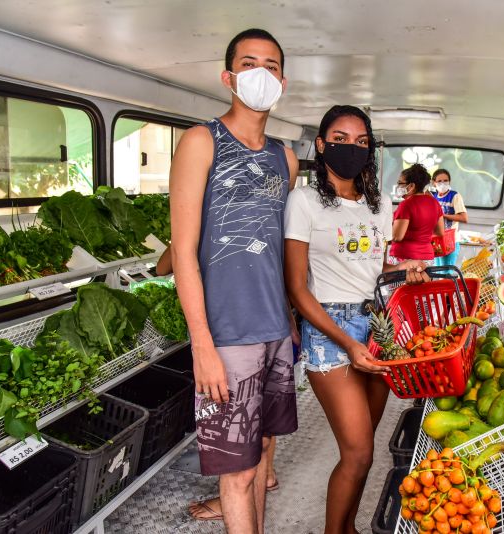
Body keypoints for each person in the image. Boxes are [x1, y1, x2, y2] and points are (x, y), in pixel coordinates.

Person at [169, 28, 299, 534]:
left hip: (274, 332)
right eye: (249, 64)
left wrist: (288, 320)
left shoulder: (284, 158)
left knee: (262, 457)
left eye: (270, 66)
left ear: (282, 82)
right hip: (226, 337)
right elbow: (183, 251)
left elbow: (275, 251)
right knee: (238, 474)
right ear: (228, 77)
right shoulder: (202, 141)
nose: (260, 74)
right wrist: (202, 343)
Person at [284, 105, 429, 534]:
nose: (352, 148)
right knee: (359, 452)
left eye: (361, 141)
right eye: (341, 139)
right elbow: (297, 287)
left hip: (377, 324)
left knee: (364, 447)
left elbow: (374, 274)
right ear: (322, 144)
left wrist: (406, 274)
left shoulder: (379, 205)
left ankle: (349, 528)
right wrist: (348, 344)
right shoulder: (303, 201)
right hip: (330, 330)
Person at [153, 245, 282, 521]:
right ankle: (264, 475)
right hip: (270, 319)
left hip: (233, 328)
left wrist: (183, 242)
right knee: (259, 421)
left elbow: (162, 268)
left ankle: (242, 490)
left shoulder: (213, 219)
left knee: (241, 428)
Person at [388, 163, 445, 265]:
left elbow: (397, 236)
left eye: (400, 183)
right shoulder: (435, 203)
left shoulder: (406, 204)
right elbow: (440, 232)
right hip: (427, 259)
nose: (397, 186)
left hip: (405, 259)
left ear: (411, 186)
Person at [431, 168, 468, 267]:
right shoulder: (434, 197)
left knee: (446, 273)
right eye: (439, 181)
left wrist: (443, 216)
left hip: (450, 241)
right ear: (434, 183)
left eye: (445, 180)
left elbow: (464, 218)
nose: (443, 183)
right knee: (437, 272)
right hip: (436, 241)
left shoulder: (455, 196)